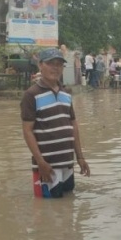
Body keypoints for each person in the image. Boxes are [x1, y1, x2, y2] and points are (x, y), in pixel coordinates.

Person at [20, 48, 90, 198]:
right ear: (40, 65)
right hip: (47, 166)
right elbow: (27, 131)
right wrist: (40, 162)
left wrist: (80, 157)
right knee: (49, 211)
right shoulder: (31, 95)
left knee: (67, 209)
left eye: (59, 64)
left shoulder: (66, 93)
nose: (55, 68)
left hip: (67, 163)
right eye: (51, 63)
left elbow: (73, 125)